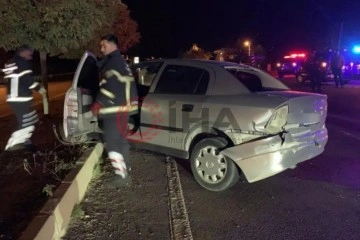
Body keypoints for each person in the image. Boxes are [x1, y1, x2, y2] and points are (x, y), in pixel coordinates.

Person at [91, 34, 138, 188]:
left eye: (103, 45)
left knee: (111, 143)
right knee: (122, 142)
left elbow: (109, 85)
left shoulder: (112, 64)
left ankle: (121, 176)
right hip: (123, 110)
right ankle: (127, 169)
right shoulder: (121, 62)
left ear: (111, 45)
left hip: (112, 110)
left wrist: (98, 102)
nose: (101, 48)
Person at [2, 45, 46, 152]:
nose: (30, 57)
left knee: (25, 121)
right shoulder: (22, 62)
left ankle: (26, 143)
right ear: (23, 52)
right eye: (29, 54)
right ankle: (12, 145)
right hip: (20, 97)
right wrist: (40, 88)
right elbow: (28, 80)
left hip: (13, 97)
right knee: (28, 121)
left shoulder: (10, 62)